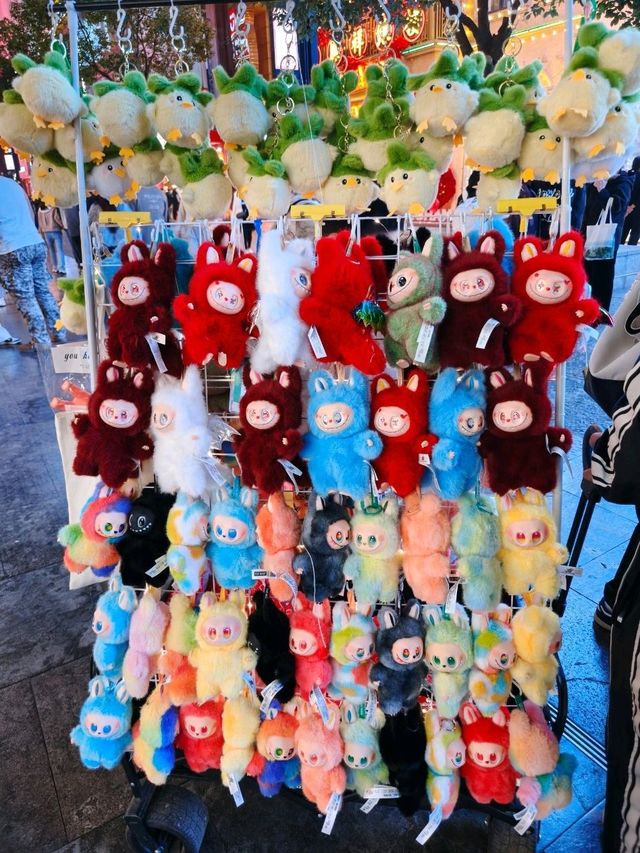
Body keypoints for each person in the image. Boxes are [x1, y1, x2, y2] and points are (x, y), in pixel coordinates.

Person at [0, 176, 63, 348]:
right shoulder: (11, 184)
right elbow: (30, 212)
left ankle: (41, 341)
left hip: (12, 247)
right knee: (42, 291)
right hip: (35, 241)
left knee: (25, 296)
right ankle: (59, 332)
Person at [581, 171, 634, 311]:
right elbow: (588, 210)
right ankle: (588, 308)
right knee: (588, 274)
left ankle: (601, 311)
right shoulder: (596, 181)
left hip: (607, 239)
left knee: (602, 275)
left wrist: (602, 190)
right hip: (589, 235)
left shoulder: (623, 181)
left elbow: (618, 207)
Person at [36, 202, 66, 276]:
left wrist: (40, 231)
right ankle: (61, 268)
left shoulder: (39, 211)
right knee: (59, 250)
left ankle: (54, 267)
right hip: (55, 231)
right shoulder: (53, 209)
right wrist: (62, 226)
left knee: (51, 250)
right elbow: (56, 218)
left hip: (46, 232)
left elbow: (39, 222)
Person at [622, 156, 640, 246]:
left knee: (622, 232)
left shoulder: (628, 174)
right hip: (636, 210)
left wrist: (627, 207)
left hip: (624, 207)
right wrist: (632, 207)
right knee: (634, 235)